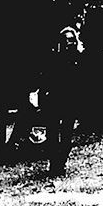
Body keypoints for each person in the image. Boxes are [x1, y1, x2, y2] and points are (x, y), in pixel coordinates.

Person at [42, 26, 84, 177]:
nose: (70, 43)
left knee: (67, 136)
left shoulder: (79, 59)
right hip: (54, 100)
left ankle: (61, 162)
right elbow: (46, 78)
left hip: (71, 101)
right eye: (67, 40)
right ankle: (54, 164)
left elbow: (84, 82)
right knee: (52, 134)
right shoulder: (53, 58)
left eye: (72, 40)